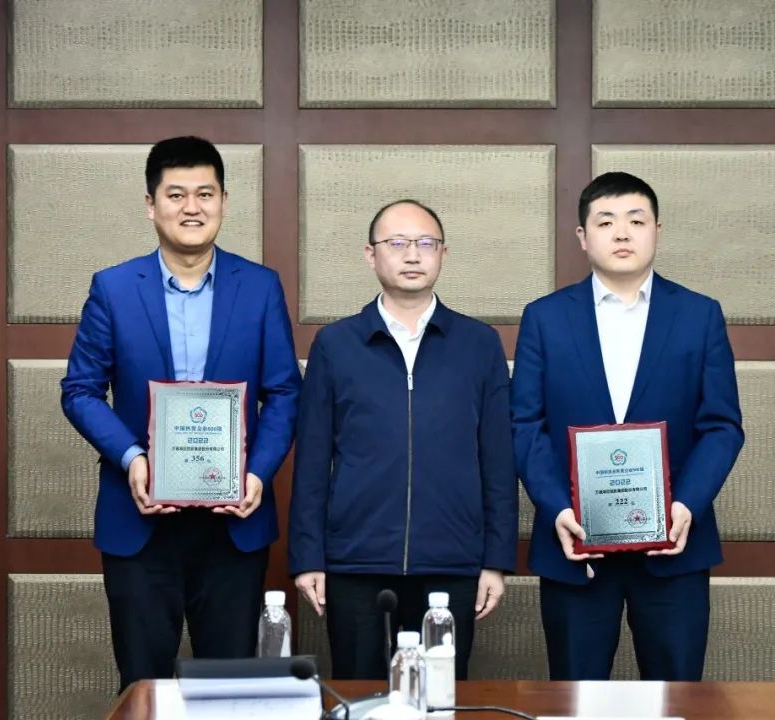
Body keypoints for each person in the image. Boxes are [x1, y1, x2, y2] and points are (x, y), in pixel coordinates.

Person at [61, 136, 301, 691]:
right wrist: (132, 458)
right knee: (143, 686)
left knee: (230, 689)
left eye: (205, 194)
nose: (192, 207)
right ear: (151, 205)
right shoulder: (114, 288)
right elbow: (80, 390)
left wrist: (257, 472)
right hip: (139, 524)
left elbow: (285, 391)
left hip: (234, 526)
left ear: (223, 202)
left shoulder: (260, 287)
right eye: (176, 195)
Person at [511, 172, 743, 681]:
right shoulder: (544, 319)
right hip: (574, 547)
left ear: (657, 230)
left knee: (675, 701)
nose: (622, 233)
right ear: (582, 236)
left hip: (674, 548)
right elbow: (525, 426)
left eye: (636, 221)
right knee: (576, 702)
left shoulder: (699, 315)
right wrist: (558, 509)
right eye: (606, 222)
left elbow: (722, 425)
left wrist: (685, 506)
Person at [288, 199, 518, 680]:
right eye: (397, 243)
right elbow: (311, 461)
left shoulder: (478, 344)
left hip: (452, 562)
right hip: (355, 563)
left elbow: (498, 459)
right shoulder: (337, 345)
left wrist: (496, 560)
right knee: (360, 698)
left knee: (439, 699)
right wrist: (308, 557)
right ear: (370, 255)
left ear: (443, 254)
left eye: (425, 243)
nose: (412, 255)